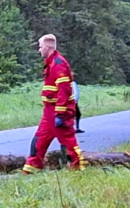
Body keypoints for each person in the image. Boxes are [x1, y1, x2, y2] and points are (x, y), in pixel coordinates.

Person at [22, 34, 87, 174]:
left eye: (40, 47)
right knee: (38, 141)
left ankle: (78, 168)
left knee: (69, 142)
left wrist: (61, 114)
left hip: (58, 113)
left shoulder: (59, 64)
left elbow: (64, 90)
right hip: (49, 113)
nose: (39, 51)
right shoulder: (51, 64)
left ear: (47, 47)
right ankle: (31, 170)